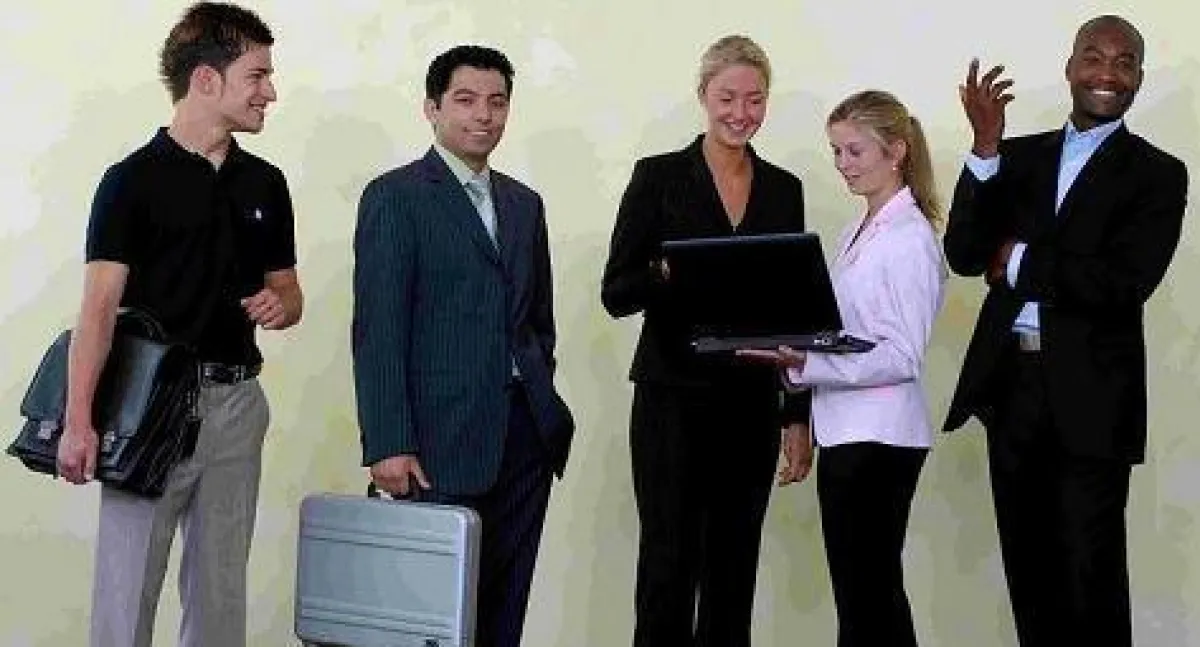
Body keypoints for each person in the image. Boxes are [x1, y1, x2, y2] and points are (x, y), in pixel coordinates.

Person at [53, 3, 302, 646]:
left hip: (237, 405)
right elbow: (97, 310)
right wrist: (79, 422)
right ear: (206, 80)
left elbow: (287, 290)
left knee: (221, 595)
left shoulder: (265, 183)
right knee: (126, 594)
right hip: (147, 409)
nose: (270, 92)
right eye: (257, 75)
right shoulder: (130, 183)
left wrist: (283, 305)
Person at [942, 15, 1188, 646]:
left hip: (1092, 402)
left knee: (1090, 582)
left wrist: (1019, 259)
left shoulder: (1159, 174)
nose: (1108, 73)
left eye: (1124, 62)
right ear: (1071, 66)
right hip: (1011, 391)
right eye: (1094, 57)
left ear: (1139, 78)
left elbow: (1124, 282)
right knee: (1030, 577)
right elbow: (966, 254)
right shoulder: (1018, 157)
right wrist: (985, 149)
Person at [352, 44, 575, 647]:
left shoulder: (524, 204)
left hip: (524, 436)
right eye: (466, 100)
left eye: (497, 102)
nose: (484, 115)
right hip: (435, 442)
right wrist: (388, 441)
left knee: (504, 613)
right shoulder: (396, 196)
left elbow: (538, 320)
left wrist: (540, 394)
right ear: (433, 108)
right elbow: (378, 330)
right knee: (433, 619)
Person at [600, 35, 810, 647]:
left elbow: (789, 314)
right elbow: (616, 292)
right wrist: (667, 272)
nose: (741, 113)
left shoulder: (784, 189)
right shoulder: (658, 177)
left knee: (734, 570)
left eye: (755, 99)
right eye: (727, 97)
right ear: (703, 96)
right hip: (671, 398)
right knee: (667, 566)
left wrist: (796, 415)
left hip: (750, 406)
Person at [740, 89, 946, 646]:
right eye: (836, 151)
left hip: (879, 438)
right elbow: (848, 331)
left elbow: (903, 355)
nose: (843, 165)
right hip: (849, 431)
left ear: (896, 151)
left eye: (855, 151)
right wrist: (797, 354)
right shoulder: (860, 230)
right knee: (863, 597)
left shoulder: (910, 238)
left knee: (870, 597)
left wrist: (809, 364)